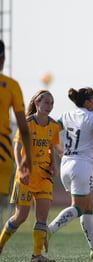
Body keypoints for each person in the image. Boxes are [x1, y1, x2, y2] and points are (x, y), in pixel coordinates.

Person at [47, 87, 93, 259]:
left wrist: (59, 150)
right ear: (87, 102)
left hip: (66, 164)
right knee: (79, 207)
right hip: (81, 165)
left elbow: (51, 133)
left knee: (87, 206)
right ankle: (48, 230)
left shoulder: (66, 115)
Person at [0, 90, 60, 262]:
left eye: (52, 103)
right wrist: (20, 169)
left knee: (42, 216)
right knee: (21, 216)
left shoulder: (53, 126)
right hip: (26, 177)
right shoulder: (26, 123)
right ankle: (1, 243)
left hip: (44, 178)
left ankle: (37, 254)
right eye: (46, 102)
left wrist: (54, 166)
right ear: (37, 104)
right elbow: (17, 148)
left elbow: (51, 149)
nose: (50, 106)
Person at [0, 39, 31, 228]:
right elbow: (23, 127)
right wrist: (28, 158)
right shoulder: (11, 85)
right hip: (2, 152)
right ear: (4, 59)